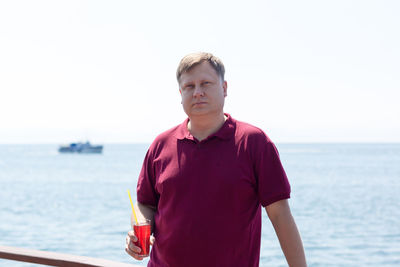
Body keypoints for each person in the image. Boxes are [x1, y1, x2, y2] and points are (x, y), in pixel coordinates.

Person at [125, 52, 307, 267]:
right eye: (189, 86)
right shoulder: (161, 144)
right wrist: (140, 229)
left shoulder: (254, 142)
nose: (197, 92)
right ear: (180, 93)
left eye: (206, 83)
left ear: (224, 88)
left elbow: (280, 216)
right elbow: (145, 203)